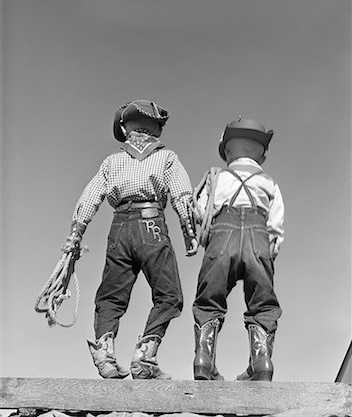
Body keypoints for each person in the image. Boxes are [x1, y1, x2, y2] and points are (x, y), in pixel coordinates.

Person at [62, 99, 198, 380]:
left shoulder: (112, 161)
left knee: (111, 295)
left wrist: (76, 234)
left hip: (119, 227)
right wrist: (189, 232)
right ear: (156, 131)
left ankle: (105, 355)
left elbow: (89, 197)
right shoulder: (167, 157)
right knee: (169, 295)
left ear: (125, 130)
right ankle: (145, 357)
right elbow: (183, 194)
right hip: (152, 226)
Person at [192, 116, 284, 381]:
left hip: (222, 236)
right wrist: (269, 251)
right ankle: (261, 363)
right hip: (258, 238)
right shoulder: (269, 182)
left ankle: (204, 362)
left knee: (209, 299)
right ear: (261, 153)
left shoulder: (217, 177)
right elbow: (276, 225)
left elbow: (200, 211)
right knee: (262, 303)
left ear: (227, 150)